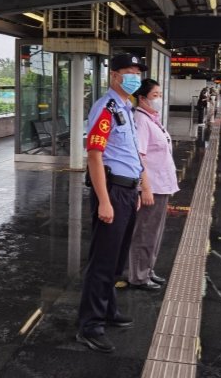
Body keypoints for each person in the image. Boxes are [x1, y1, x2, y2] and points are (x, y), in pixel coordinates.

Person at [76, 53, 148, 354]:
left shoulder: (126, 107)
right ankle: (90, 326)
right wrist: (104, 201)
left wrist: (140, 188)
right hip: (113, 191)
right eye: (128, 72)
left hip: (128, 191)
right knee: (103, 261)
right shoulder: (105, 109)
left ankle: (108, 309)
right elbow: (94, 155)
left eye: (138, 73)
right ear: (114, 76)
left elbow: (130, 153)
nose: (135, 77)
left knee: (117, 258)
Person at [128, 79, 179, 291]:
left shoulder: (152, 119)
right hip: (152, 187)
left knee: (155, 232)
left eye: (159, 94)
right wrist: (145, 187)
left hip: (162, 185)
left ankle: (147, 270)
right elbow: (138, 156)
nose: (159, 98)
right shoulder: (141, 120)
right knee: (145, 232)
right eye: (155, 95)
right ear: (142, 98)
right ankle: (138, 276)